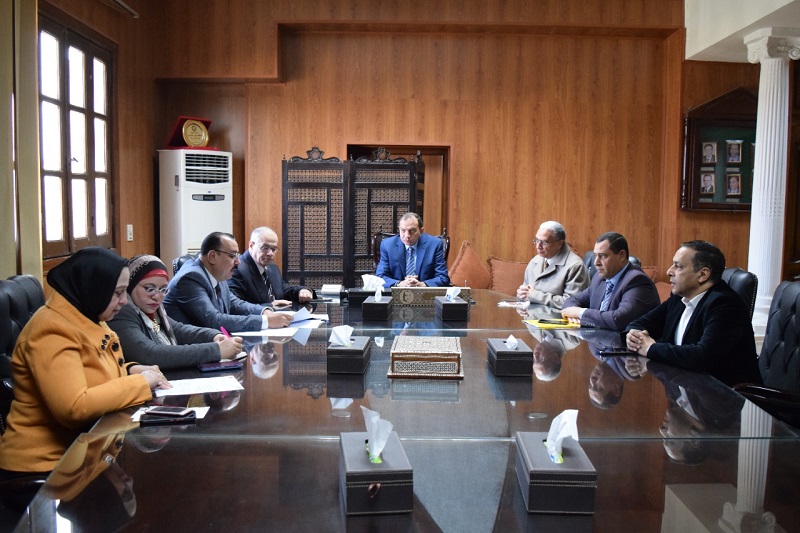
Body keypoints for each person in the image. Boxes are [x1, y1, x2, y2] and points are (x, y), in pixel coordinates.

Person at [0, 247, 169, 482]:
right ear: (94, 288)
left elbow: (91, 369)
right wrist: (139, 383)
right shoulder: (52, 330)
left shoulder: (87, 313)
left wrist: (131, 369)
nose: (124, 301)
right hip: (44, 467)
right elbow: (74, 407)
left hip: (83, 455)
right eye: (117, 293)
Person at [625, 240, 760, 387]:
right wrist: (634, 336)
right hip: (684, 388)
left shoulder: (725, 305)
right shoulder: (678, 298)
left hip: (724, 395)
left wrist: (651, 348)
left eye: (678, 266)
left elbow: (701, 357)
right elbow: (639, 323)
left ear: (703, 274)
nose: (669, 271)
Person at [108, 255, 244, 370]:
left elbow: (178, 329)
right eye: (149, 289)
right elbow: (150, 354)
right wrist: (216, 350)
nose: (157, 296)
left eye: (163, 289)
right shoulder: (121, 311)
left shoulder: (152, 308)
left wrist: (213, 336)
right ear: (130, 285)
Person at [163, 232, 292, 332]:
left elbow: (235, 304)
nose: (238, 261)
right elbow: (214, 320)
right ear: (212, 256)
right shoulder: (191, 278)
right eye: (232, 255)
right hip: (189, 350)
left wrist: (264, 311)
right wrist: (265, 321)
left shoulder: (218, 274)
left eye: (237, 255)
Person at [561, 232, 660, 330]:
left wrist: (580, 313)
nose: (596, 263)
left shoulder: (637, 281)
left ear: (621, 256)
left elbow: (618, 320)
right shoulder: (599, 278)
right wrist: (571, 312)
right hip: (597, 338)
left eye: (603, 256)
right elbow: (573, 300)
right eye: (595, 256)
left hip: (625, 340)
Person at [229, 226, 314, 306]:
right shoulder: (237, 269)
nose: (270, 253)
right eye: (265, 248)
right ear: (251, 245)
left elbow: (283, 290)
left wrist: (301, 291)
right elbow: (234, 306)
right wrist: (269, 306)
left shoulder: (272, 267)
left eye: (273, 249)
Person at [516, 221, 589, 309]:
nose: (538, 246)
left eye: (544, 242)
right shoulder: (535, 261)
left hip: (558, 316)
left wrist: (535, 296)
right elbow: (526, 293)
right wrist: (521, 295)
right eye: (536, 240)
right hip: (532, 314)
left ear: (559, 244)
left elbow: (571, 303)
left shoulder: (575, 266)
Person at [375, 212, 450, 287]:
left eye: (412, 231)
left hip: (425, 292)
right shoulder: (388, 245)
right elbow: (380, 276)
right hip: (395, 292)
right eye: (403, 230)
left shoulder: (434, 245)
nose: (407, 235)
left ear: (421, 231)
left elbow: (443, 277)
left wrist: (422, 284)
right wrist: (399, 284)